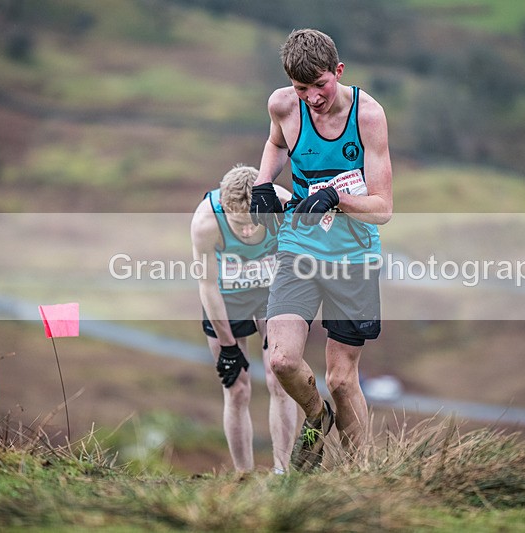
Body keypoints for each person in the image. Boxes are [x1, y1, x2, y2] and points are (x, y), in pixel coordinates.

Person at [249, 28, 393, 471]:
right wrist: (261, 183)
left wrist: (336, 198)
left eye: (321, 85)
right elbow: (276, 143)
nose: (312, 97)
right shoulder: (282, 106)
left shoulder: (368, 116)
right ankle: (316, 415)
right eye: (301, 88)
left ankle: (362, 478)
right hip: (299, 248)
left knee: (341, 379)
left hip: (353, 255)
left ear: (339, 71)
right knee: (282, 360)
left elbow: (383, 208)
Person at [191, 164, 297, 473]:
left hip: (269, 292)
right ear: (225, 210)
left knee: (280, 379)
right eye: (239, 225)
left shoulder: (280, 205)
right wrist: (228, 347)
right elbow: (207, 286)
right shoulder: (206, 223)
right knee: (237, 388)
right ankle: (243, 476)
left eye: (253, 223)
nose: (248, 231)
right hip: (227, 297)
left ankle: (282, 473)